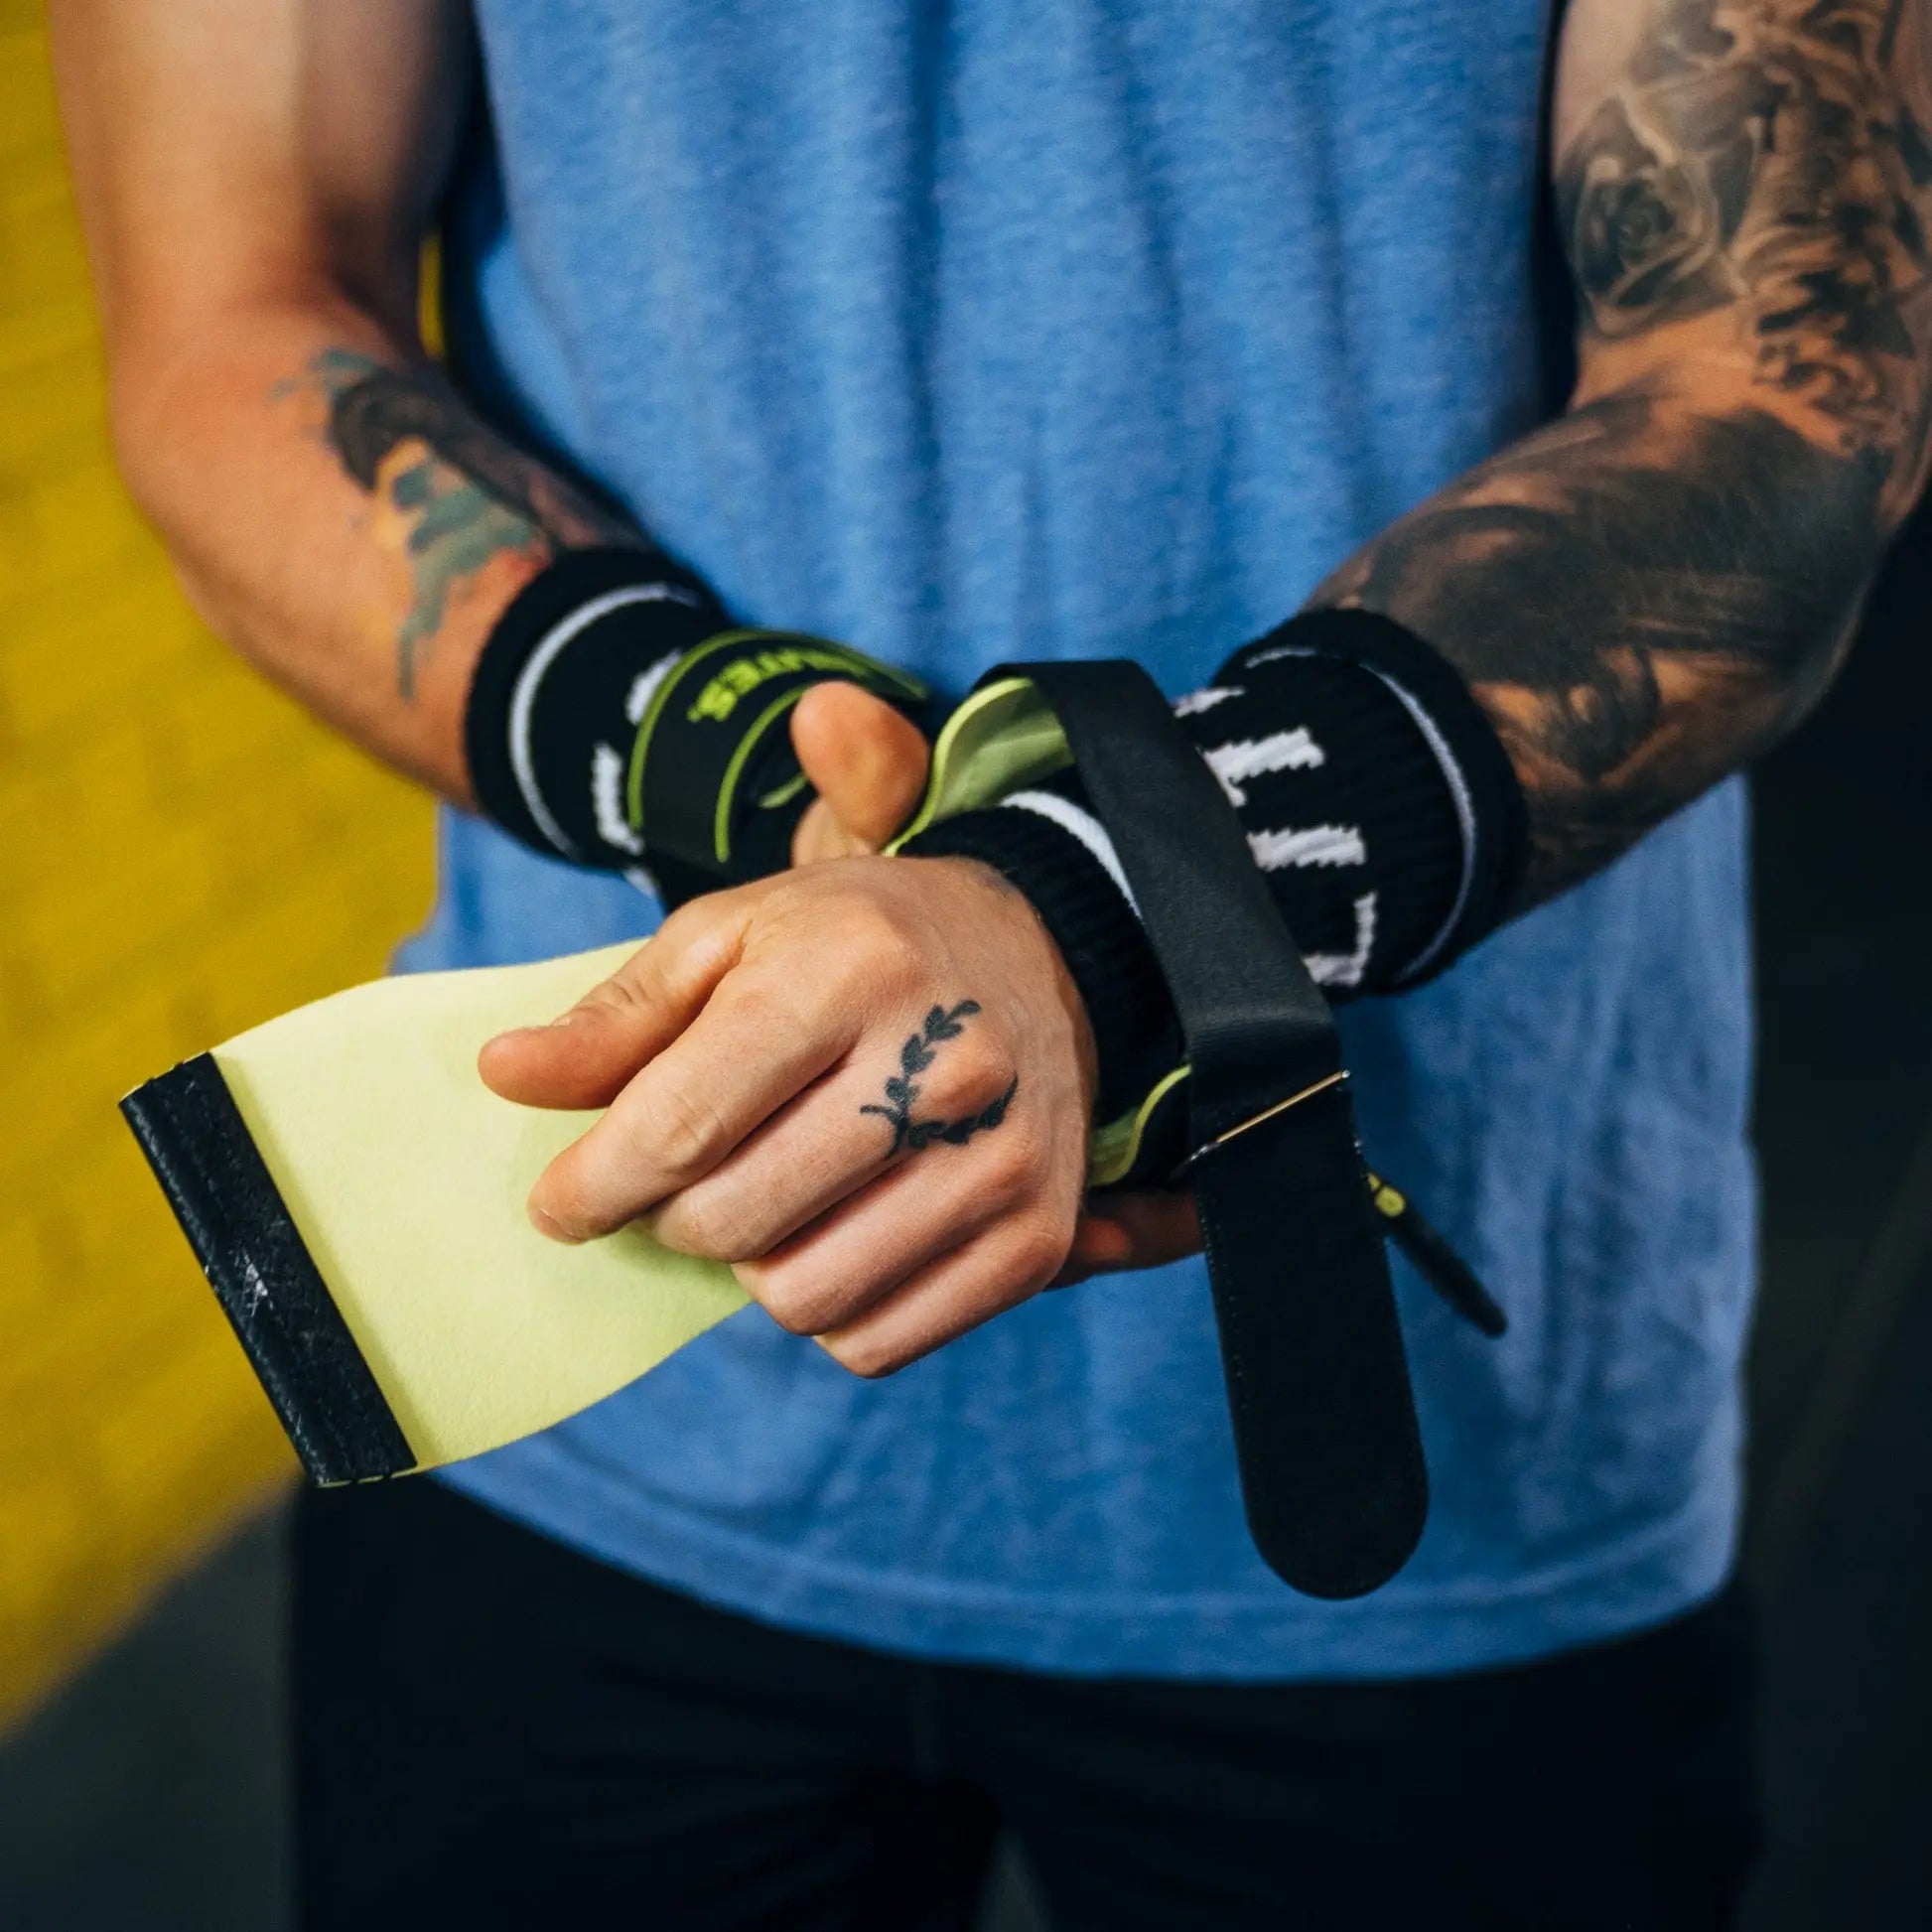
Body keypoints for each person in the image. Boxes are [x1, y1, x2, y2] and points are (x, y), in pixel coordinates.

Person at [54, 0, 1930, 1925]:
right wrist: (738, 749)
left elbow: (1786, 387)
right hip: (586, 1363)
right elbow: (234, 316)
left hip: (1426, 1455)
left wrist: (1119, 898)